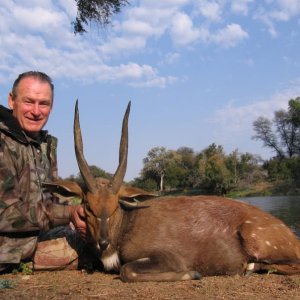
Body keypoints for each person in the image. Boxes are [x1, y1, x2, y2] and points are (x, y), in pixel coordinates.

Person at [0, 71, 88, 272]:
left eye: (44, 104)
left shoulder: (45, 145)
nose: (36, 111)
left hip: (36, 238)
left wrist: (82, 216)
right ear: (12, 101)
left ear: (52, 107)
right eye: (29, 102)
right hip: (10, 248)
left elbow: (52, 202)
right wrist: (68, 213)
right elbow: (4, 213)